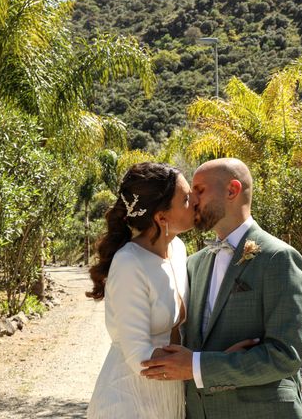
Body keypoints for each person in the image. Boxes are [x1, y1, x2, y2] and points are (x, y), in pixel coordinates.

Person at [141, 158, 302, 419]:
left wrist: (200, 366)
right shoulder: (194, 264)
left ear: (232, 190)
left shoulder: (279, 258)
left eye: (200, 190)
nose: (193, 200)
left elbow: (285, 356)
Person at [86, 162, 195, 419]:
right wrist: (203, 366)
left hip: (169, 394)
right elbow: (140, 357)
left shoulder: (178, 250)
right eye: (187, 199)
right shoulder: (129, 263)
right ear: (161, 217)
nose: (196, 203)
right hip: (129, 400)